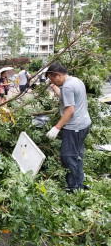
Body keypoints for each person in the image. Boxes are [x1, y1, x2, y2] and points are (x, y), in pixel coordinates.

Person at [46, 63, 91, 192]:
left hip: (74, 127)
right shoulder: (76, 81)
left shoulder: (67, 87)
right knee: (78, 154)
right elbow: (68, 99)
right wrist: (54, 87)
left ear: (58, 75)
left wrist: (56, 128)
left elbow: (69, 110)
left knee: (68, 156)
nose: (51, 81)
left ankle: (73, 188)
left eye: (52, 79)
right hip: (84, 125)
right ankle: (80, 184)